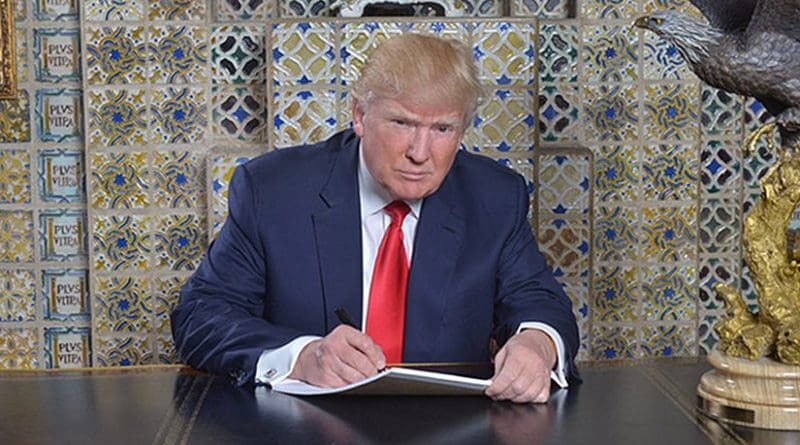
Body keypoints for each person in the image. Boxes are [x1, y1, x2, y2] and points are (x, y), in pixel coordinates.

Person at [171, 33, 579, 403]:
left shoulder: (494, 197)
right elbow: (201, 315)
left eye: (442, 129)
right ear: (360, 116)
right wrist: (300, 356)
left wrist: (538, 344)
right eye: (402, 123)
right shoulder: (272, 191)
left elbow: (539, 302)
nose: (420, 153)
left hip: (447, 429)